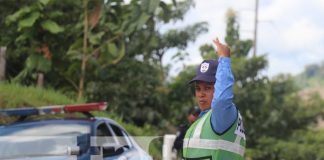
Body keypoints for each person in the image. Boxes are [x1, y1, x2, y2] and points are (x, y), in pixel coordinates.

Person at [182, 38, 246, 160]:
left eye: (207, 88)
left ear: (219, 88)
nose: (201, 94)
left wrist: (224, 58)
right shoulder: (202, 121)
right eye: (198, 88)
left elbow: (221, 101)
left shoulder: (221, 116)